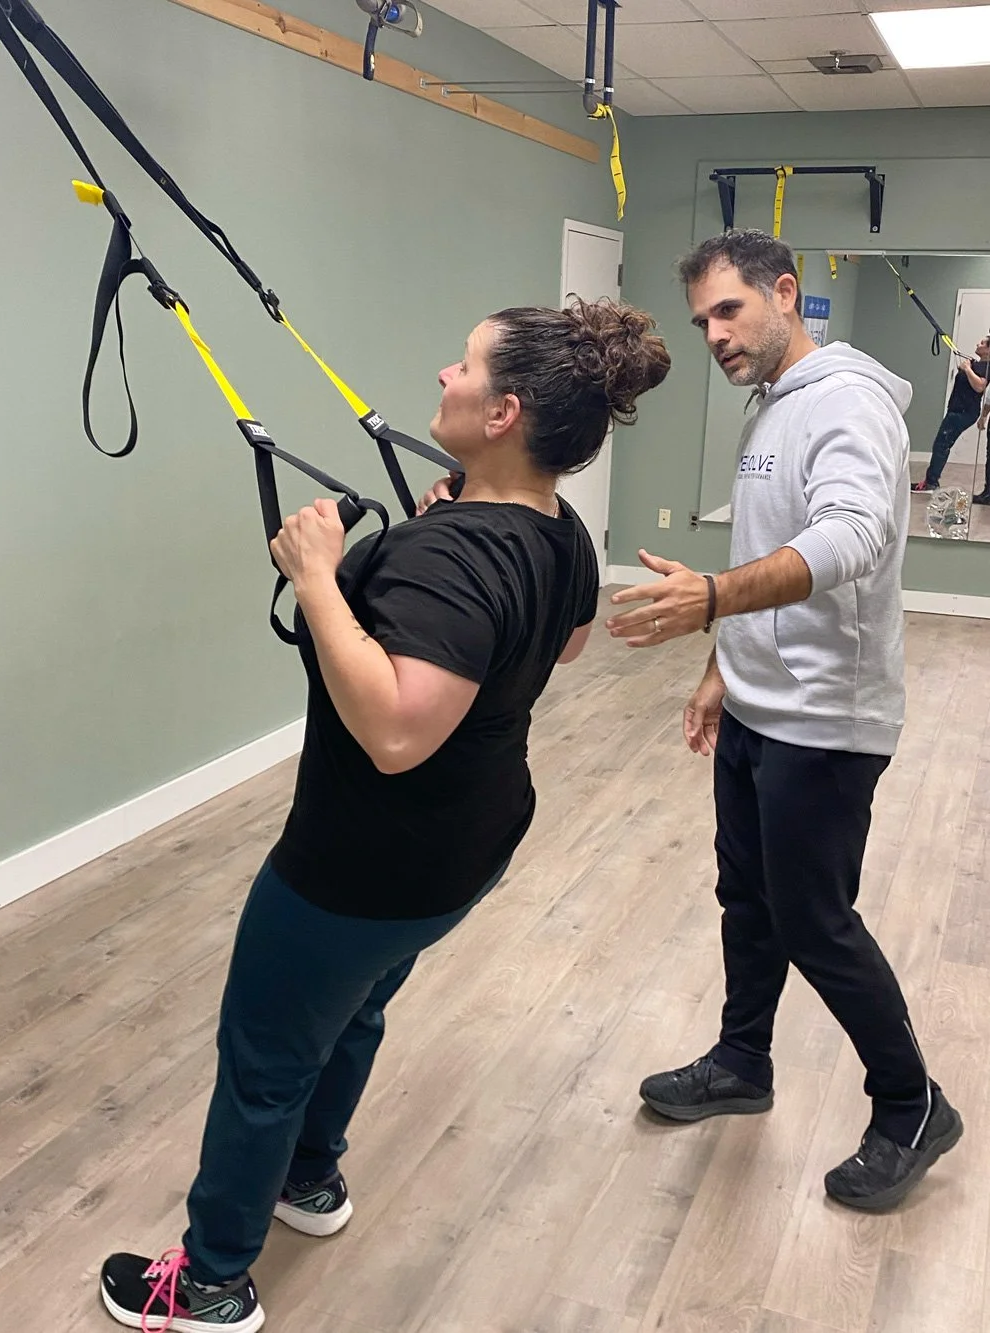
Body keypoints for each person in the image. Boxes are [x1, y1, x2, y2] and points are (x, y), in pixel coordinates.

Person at [99, 298, 671, 1332]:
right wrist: (448, 527)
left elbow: (399, 732)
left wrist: (319, 576)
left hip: (359, 868)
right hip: (464, 851)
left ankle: (213, 1280)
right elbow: (571, 641)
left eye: (460, 368)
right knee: (353, 1008)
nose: (439, 379)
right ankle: (309, 1178)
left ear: (501, 413)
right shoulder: (554, 525)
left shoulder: (449, 558)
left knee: (266, 1059)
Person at [606, 229, 962, 1212]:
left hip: (827, 718)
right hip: (763, 702)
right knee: (748, 898)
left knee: (815, 920)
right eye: (701, 320)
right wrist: (725, 666)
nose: (714, 334)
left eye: (729, 310)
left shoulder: (845, 404)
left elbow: (850, 537)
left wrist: (713, 597)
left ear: (785, 295)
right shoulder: (769, 406)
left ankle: (909, 1104)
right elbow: (776, 540)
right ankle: (741, 1059)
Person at [910, 335, 990, 493]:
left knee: (941, 445)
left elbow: (980, 386)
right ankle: (931, 481)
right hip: (957, 410)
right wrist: (968, 368)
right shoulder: (977, 364)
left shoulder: (987, 367)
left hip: (964, 413)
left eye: (982, 343)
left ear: (988, 349)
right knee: (941, 445)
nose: (977, 343)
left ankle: (931, 483)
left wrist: (967, 369)